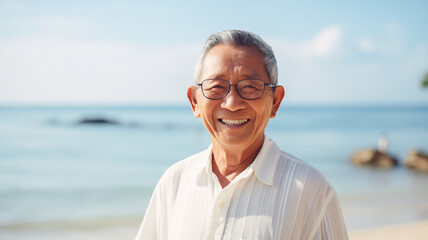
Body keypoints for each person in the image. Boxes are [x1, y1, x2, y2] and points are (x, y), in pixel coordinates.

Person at [135, 30, 348, 240]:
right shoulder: (175, 181)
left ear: (275, 102)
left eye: (250, 87)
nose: (232, 103)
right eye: (217, 87)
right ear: (194, 102)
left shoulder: (310, 190)